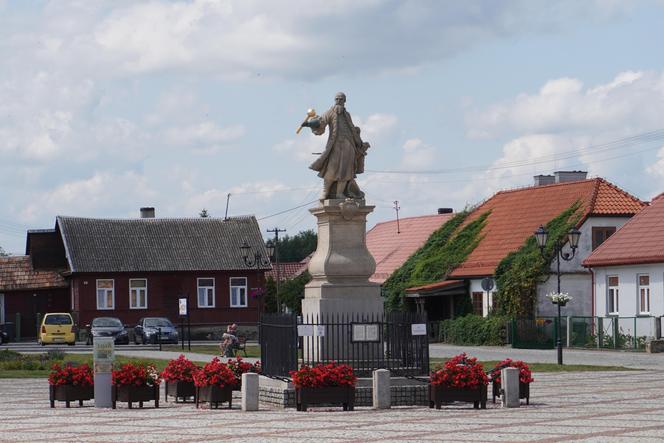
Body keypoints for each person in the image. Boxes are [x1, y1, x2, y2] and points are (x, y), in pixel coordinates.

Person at [303, 92, 370, 200]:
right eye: (337, 99)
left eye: (341, 99)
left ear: (344, 101)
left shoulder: (347, 115)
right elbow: (321, 124)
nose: (339, 101)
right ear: (334, 100)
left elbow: (352, 129)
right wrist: (311, 124)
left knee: (346, 170)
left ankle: (339, 193)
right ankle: (325, 192)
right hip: (335, 145)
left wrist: (359, 143)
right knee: (331, 168)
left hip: (349, 145)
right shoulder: (329, 112)